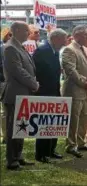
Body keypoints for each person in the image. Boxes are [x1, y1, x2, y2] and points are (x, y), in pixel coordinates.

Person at [2, 21, 39, 170]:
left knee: (21, 127)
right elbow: (17, 71)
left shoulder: (18, 46)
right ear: (16, 30)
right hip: (15, 93)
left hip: (23, 93)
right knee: (13, 129)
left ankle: (18, 156)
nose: (28, 33)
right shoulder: (10, 47)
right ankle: (12, 160)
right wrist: (34, 84)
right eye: (25, 30)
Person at [32, 28, 67, 163]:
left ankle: (51, 150)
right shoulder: (42, 51)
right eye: (63, 39)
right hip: (44, 92)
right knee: (44, 124)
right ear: (56, 38)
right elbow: (38, 71)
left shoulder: (54, 51)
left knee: (54, 122)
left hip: (54, 91)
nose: (65, 42)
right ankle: (41, 153)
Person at [62, 25, 87, 158]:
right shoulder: (69, 50)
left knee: (84, 117)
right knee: (73, 118)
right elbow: (71, 70)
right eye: (86, 35)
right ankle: (71, 144)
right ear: (77, 35)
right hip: (74, 90)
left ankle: (82, 143)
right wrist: (84, 82)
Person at [0, 27, 12, 145]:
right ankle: (5, 135)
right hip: (4, 82)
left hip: (7, 82)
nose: (11, 37)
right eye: (10, 35)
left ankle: (7, 134)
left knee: (8, 110)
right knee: (5, 110)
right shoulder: (3, 48)